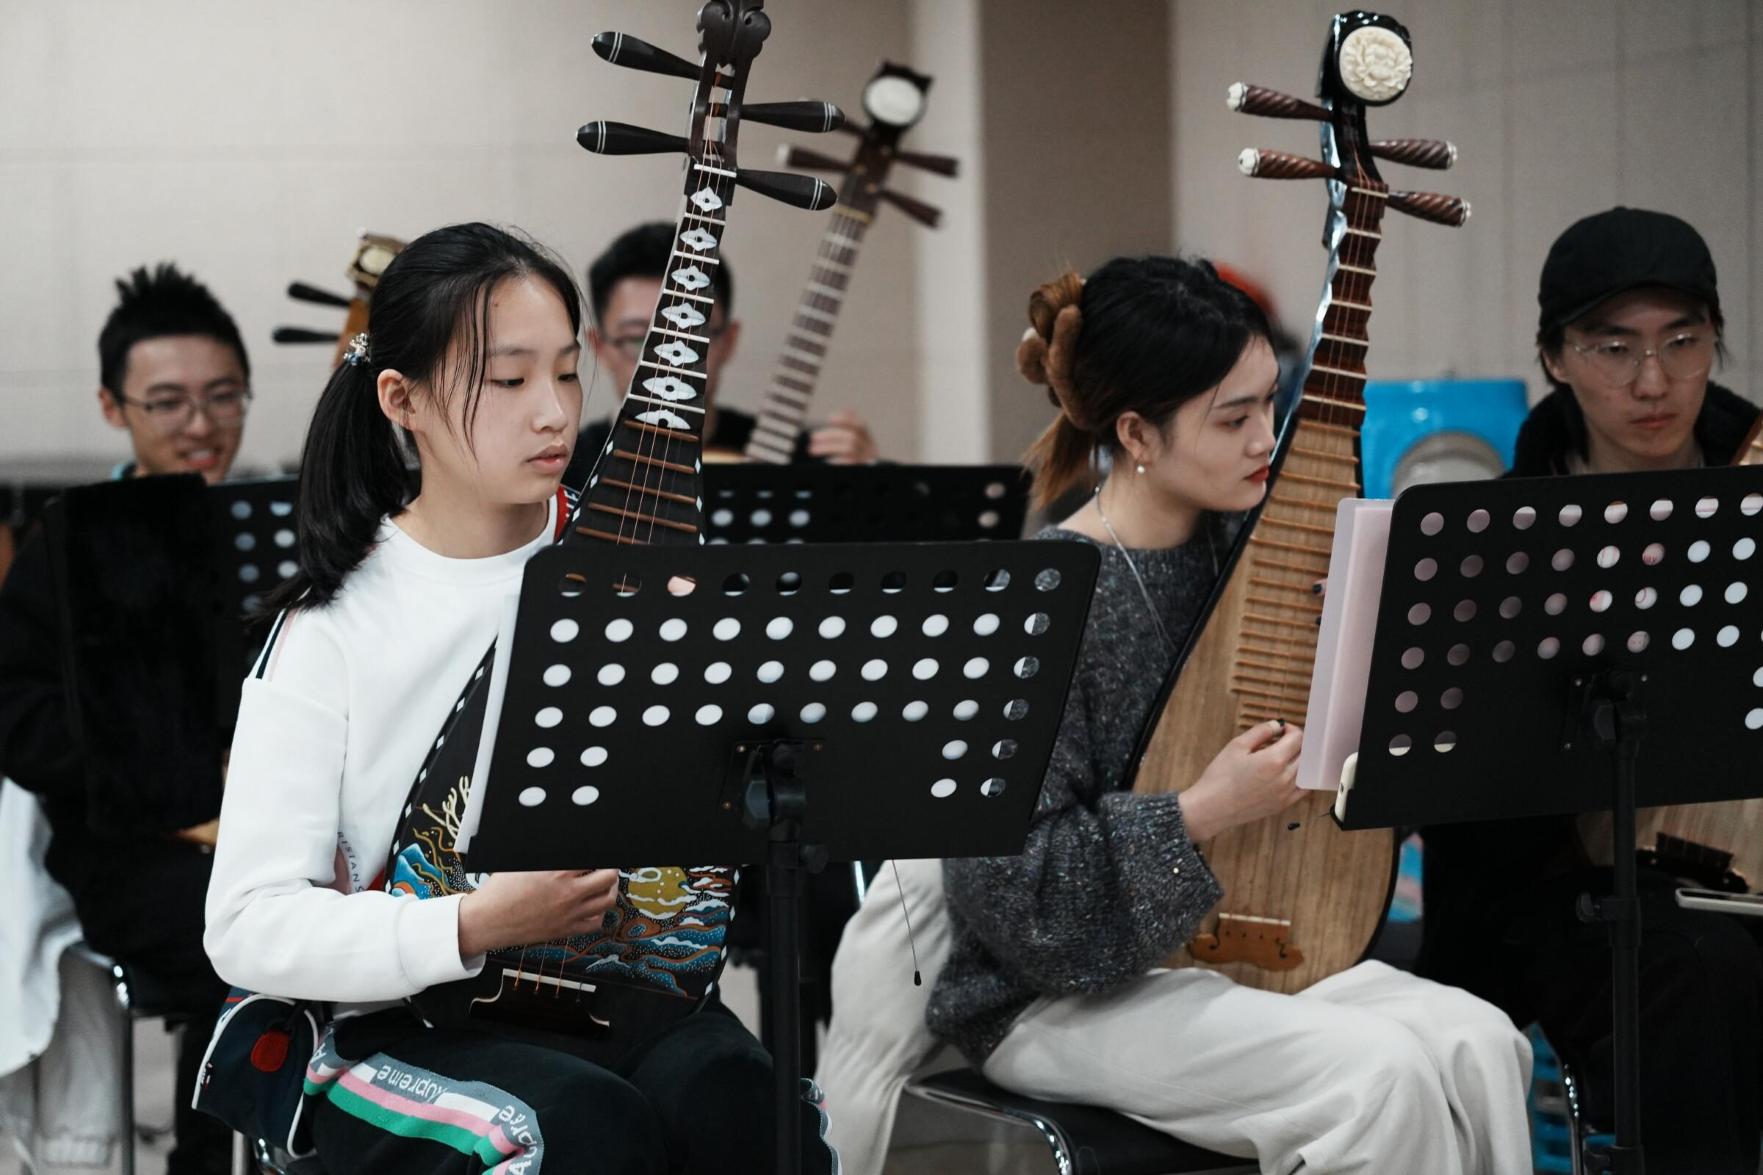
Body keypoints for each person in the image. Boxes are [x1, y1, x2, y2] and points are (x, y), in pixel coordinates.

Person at [201, 222, 835, 1174]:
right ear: (401, 399)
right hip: (400, 1023)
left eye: (568, 373)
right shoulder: (331, 629)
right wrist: (472, 923)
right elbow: (248, 924)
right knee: (580, 1127)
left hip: (630, 995)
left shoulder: (636, 568)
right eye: (508, 380)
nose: (553, 412)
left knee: (741, 1103)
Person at [924, 256, 1534, 1174]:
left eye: (1269, 405)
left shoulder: (1263, 560)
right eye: (1232, 417)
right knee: (1377, 1077)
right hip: (1050, 994)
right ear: (1137, 432)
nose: (1265, 439)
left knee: (1479, 1042)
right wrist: (1201, 809)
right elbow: (1015, 898)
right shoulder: (1033, 603)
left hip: (1245, 951)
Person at [1418, 207, 1763, 1175]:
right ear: (1554, 358)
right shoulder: (1499, 537)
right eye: (1613, 348)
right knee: (1699, 973)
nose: (1652, 382)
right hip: (1569, 892)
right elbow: (1464, 803)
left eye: (1681, 342)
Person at [0, 262, 251, 1175]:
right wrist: (158, 767)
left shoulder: (277, 527)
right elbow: (17, 720)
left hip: (261, 828)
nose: (201, 425)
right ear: (114, 407)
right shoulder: (65, 546)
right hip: (128, 851)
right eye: (168, 402)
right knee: (242, 943)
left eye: (223, 396)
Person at [563, 221, 879, 484]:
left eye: (690, 335)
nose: (668, 362)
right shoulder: (564, 469)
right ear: (600, 348)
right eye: (639, 339)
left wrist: (871, 486)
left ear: (728, 341)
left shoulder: (801, 462)